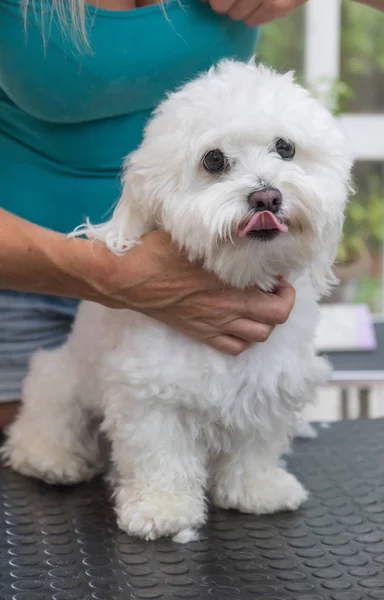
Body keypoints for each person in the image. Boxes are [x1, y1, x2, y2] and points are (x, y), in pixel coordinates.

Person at [0, 0, 381, 429]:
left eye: (285, 151)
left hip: (225, 268)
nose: (265, 192)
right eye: (216, 161)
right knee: (43, 461)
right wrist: (109, 273)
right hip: (18, 273)